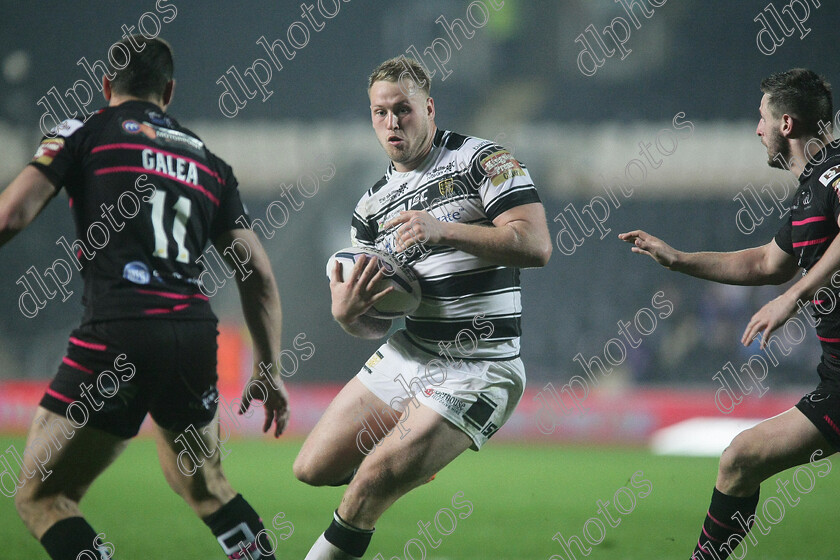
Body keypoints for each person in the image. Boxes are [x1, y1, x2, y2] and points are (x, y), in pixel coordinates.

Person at [5, 36, 289, 560]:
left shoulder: (85, 132)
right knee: (205, 488)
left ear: (107, 85)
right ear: (169, 92)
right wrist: (269, 368)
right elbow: (260, 277)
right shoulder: (210, 162)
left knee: (43, 496)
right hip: (193, 336)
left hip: (120, 331)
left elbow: (11, 216)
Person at [293, 56, 552, 559]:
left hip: (481, 365)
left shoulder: (485, 161)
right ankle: (416, 453)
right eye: (380, 113)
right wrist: (349, 316)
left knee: (365, 488)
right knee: (312, 468)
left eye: (403, 110)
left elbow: (536, 245)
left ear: (429, 108)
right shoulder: (369, 208)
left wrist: (443, 229)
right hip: (411, 353)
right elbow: (376, 316)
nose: (392, 123)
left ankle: (408, 454)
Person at [619, 68, 839, 560]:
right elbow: (764, 262)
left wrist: (793, 296)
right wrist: (677, 259)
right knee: (740, 459)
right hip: (837, 383)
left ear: (786, 123)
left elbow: (786, 279)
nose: (755, 128)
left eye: (761, 118)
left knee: (740, 457)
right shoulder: (809, 193)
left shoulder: (835, 173)